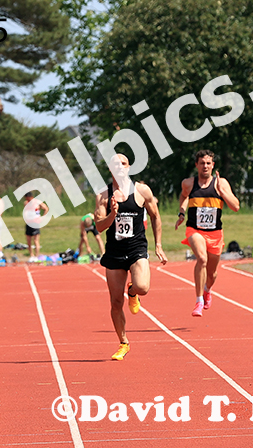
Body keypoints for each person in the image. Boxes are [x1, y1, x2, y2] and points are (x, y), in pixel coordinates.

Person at [95, 154, 167, 361]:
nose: (120, 167)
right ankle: (123, 343)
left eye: (123, 164)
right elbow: (99, 226)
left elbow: (155, 216)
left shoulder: (142, 191)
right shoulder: (103, 195)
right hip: (114, 252)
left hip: (136, 248)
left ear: (129, 167)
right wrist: (112, 214)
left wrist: (158, 245)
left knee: (142, 287)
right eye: (115, 164)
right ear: (110, 169)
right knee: (116, 302)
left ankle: (132, 291)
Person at [175, 150, 240, 317]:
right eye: (202, 163)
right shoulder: (188, 183)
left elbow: (236, 206)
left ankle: (207, 290)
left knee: (211, 274)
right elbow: (183, 196)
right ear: (196, 165)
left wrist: (222, 192)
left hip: (215, 233)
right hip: (195, 230)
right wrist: (182, 213)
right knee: (202, 259)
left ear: (213, 165)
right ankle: (198, 301)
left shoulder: (221, 183)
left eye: (208, 163)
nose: (205, 166)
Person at [23, 191, 49, 259]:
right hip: (28, 223)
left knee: (36, 240)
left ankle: (36, 256)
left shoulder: (37, 202)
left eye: (28, 199)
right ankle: (31, 255)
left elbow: (46, 209)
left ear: (31, 197)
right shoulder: (26, 203)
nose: (27, 200)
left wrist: (43, 217)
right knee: (28, 241)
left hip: (35, 223)